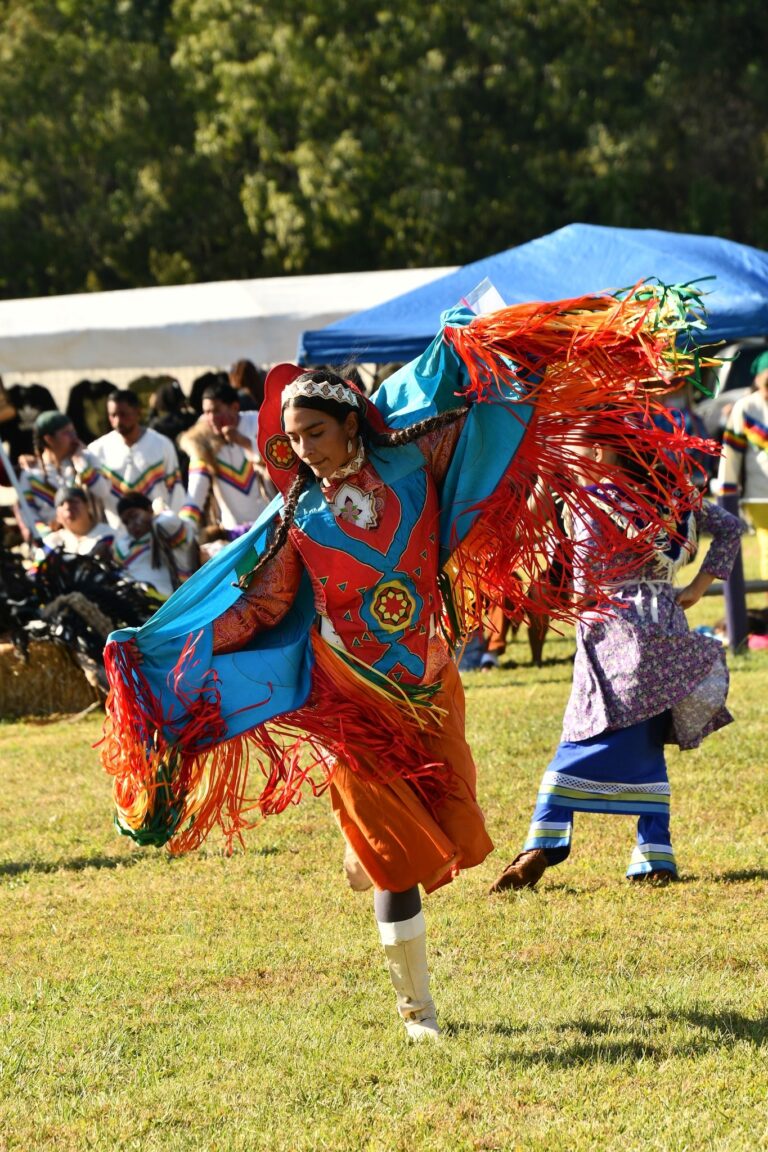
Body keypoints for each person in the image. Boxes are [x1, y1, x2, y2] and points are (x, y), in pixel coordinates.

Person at [99, 285, 714, 1040]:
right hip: (351, 704)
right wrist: (174, 656)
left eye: (316, 433)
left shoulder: (413, 467)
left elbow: (483, 417)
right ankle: (416, 1011)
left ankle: (374, 857)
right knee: (394, 858)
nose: (305, 451)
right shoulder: (300, 517)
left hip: (427, 687)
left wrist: (494, 347)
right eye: (293, 442)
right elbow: (260, 610)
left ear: (351, 423)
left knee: (440, 839)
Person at [489, 434, 742, 894]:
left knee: (583, 733)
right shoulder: (671, 497)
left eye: (573, 450)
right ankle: (653, 853)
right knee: (644, 742)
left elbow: (527, 520)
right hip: (661, 630)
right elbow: (730, 528)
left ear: (601, 452)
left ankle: (541, 845)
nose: (568, 459)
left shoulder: (591, 498)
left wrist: (544, 477)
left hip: (613, 635)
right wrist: (697, 588)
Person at [179, 379, 275, 547]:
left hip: (272, 526)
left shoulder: (258, 423)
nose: (210, 418)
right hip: (233, 536)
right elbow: (196, 490)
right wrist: (184, 525)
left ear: (235, 407)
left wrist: (245, 442)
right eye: (206, 412)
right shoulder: (203, 439)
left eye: (216, 411)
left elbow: (277, 462)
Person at [86, 389, 186, 529]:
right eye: (113, 415)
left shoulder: (161, 444)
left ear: (138, 412)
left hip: (158, 530)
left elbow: (175, 488)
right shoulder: (97, 450)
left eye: (123, 414)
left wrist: (174, 524)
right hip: (120, 533)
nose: (118, 420)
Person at [715, 350, 768, 581]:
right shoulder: (746, 408)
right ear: (757, 379)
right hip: (760, 497)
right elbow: (731, 453)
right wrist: (727, 493)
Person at [16, 411, 103, 541]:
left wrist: (81, 460)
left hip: (91, 537)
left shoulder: (82, 462)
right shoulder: (31, 474)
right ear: (49, 439)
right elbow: (28, 514)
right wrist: (48, 536)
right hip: (54, 543)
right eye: (66, 433)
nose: (74, 437)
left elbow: (102, 492)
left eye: (73, 431)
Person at [112, 492, 198, 603]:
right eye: (126, 522)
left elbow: (168, 520)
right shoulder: (127, 547)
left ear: (149, 510)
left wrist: (158, 512)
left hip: (180, 601)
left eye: (134, 516)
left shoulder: (164, 530)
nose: (132, 524)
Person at [37, 485, 114, 559]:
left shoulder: (108, 535)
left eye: (73, 502)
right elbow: (36, 569)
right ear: (57, 515)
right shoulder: (52, 542)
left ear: (87, 506)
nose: (67, 507)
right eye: (61, 504)